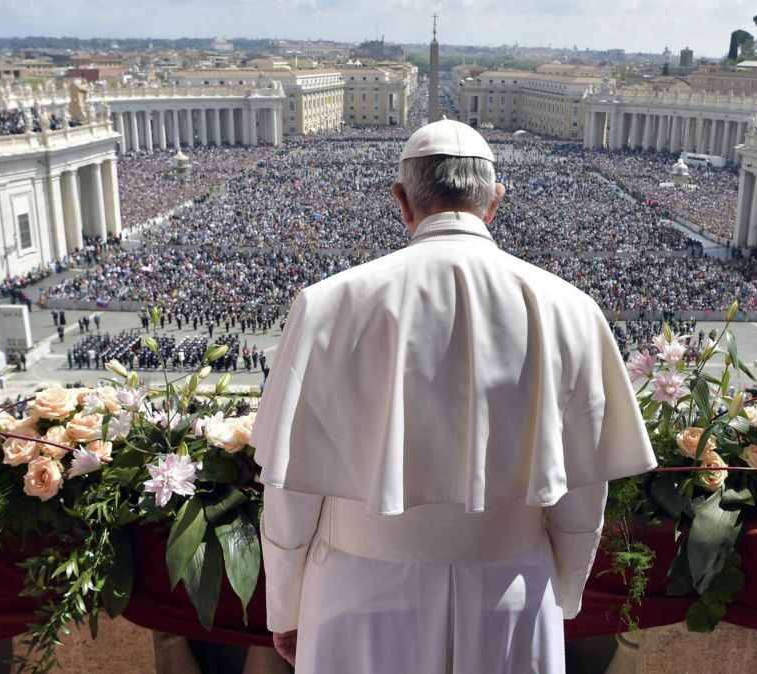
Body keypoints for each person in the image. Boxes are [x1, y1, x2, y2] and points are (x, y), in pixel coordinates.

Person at [252, 120, 657, 673]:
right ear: (496, 200)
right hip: (509, 589)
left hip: (357, 589)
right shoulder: (572, 308)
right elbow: (582, 494)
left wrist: (286, 606)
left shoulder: (327, 304)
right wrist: (561, 592)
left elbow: (290, 490)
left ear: (401, 199)